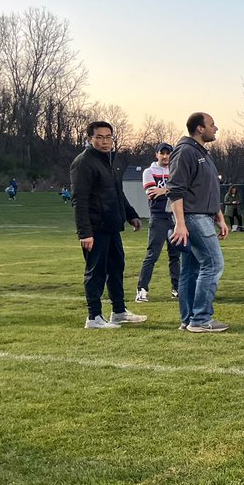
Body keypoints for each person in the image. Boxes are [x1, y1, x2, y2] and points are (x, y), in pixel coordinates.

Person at [70, 120, 147, 329]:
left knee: (116, 268)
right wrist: (85, 233)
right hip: (96, 228)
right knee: (96, 272)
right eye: (99, 137)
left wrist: (131, 214)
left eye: (108, 137)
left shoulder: (108, 161)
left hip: (112, 226)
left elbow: (117, 192)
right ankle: (94, 317)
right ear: (89, 139)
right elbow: (79, 199)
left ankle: (119, 312)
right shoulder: (84, 162)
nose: (105, 141)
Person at [168, 112, 229, 333]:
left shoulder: (202, 153)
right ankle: (201, 320)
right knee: (213, 264)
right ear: (200, 129)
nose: (216, 128)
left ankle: (189, 319)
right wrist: (180, 223)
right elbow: (175, 190)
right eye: (212, 124)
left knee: (191, 270)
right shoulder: (185, 152)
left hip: (204, 216)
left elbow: (207, 191)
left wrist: (220, 217)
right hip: (193, 217)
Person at [135, 142, 180, 303]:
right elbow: (152, 193)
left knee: (175, 255)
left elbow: (184, 190)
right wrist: (171, 190)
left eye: (168, 153)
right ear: (157, 154)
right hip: (159, 216)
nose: (165, 156)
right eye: (162, 153)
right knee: (152, 254)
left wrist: (165, 190)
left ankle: (177, 288)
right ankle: (142, 289)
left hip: (175, 217)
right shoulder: (149, 171)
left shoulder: (176, 171)